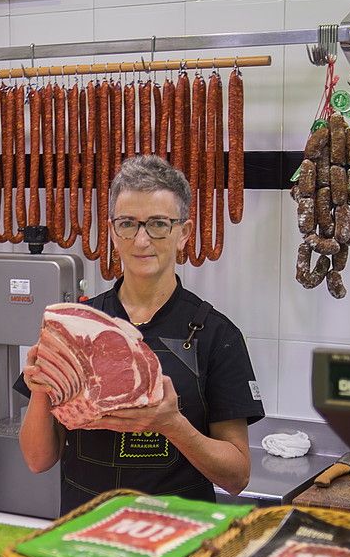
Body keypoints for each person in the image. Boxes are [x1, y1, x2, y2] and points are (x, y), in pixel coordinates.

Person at [18, 154, 264, 514]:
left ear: (184, 233)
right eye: (128, 224)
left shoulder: (217, 335)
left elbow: (237, 476)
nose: (142, 240)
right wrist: (40, 390)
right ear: (113, 233)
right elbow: (38, 460)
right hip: (87, 541)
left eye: (159, 224)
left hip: (177, 543)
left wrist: (172, 425)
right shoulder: (74, 325)